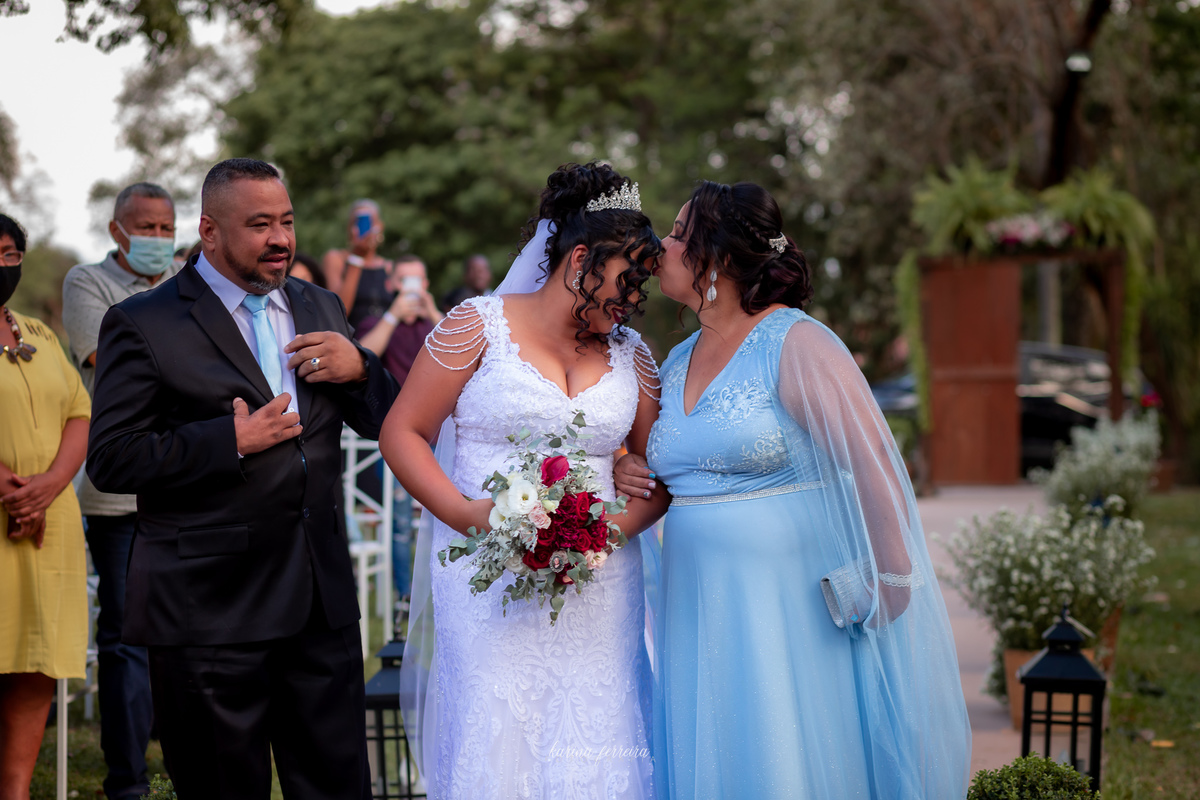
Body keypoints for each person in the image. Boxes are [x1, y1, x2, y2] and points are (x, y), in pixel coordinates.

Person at [615, 181, 971, 799]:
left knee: (787, 749)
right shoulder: (675, 361)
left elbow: (874, 463)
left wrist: (892, 578)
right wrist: (630, 471)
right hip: (696, 598)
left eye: (677, 234)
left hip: (788, 600)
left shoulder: (796, 343)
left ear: (717, 258)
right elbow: (665, 473)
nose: (660, 246)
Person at [87, 158, 400, 800]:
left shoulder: (320, 304)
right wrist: (227, 441)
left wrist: (363, 370)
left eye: (287, 221)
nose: (281, 239)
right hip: (209, 611)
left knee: (339, 787)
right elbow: (112, 457)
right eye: (260, 225)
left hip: (319, 603)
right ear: (209, 231)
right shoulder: (144, 322)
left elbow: (384, 423)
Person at [379, 162, 669, 798]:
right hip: (486, 573)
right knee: (499, 731)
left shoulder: (635, 355)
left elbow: (660, 475)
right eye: (626, 280)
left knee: (601, 727)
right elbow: (402, 433)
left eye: (640, 285)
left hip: (602, 580)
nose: (631, 299)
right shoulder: (475, 326)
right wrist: (467, 515)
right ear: (580, 260)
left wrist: (608, 529)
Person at [61, 181, 180, 800]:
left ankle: (187, 761)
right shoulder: (89, 283)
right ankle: (127, 779)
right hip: (120, 496)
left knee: (188, 631)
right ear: (117, 230)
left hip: (189, 483)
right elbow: (108, 366)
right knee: (127, 636)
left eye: (167, 228)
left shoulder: (191, 277)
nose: (158, 239)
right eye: (146, 227)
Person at [0, 213, 91, 800]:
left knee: (34, 659)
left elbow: (79, 411)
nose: (2, 264)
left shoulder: (38, 332)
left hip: (48, 521)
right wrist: (12, 492)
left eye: (10, 253)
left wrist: (50, 484)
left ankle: (15, 791)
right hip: (7, 516)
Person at [355, 254, 442, 600]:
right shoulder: (379, 322)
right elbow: (362, 355)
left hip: (438, 436)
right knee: (400, 521)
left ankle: (439, 596)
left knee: (444, 519)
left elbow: (469, 351)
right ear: (392, 284)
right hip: (397, 438)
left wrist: (432, 312)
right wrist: (393, 316)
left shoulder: (438, 324)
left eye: (416, 280)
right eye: (404, 280)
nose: (411, 288)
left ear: (426, 285)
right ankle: (405, 597)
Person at [323, 199, 393, 330]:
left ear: (380, 227)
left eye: (370, 222)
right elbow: (339, 311)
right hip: (350, 337)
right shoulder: (336, 258)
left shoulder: (388, 266)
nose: (366, 228)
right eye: (358, 222)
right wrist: (357, 258)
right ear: (349, 228)